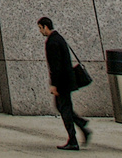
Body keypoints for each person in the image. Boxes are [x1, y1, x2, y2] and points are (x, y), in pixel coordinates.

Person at [38, 16, 90, 149]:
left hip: (62, 82)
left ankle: (73, 140)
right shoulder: (59, 38)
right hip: (67, 80)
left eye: (40, 28)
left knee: (64, 109)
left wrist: (54, 84)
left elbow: (55, 66)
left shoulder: (52, 42)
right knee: (61, 107)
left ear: (45, 26)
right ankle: (81, 124)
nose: (40, 31)